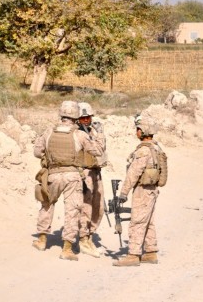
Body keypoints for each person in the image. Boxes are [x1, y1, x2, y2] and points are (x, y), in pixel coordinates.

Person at [32, 101, 104, 261]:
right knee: (72, 211)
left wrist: (51, 156)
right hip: (73, 176)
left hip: (53, 174)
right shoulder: (79, 134)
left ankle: (42, 240)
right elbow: (98, 151)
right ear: (76, 116)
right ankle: (67, 249)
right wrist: (99, 135)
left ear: (61, 114)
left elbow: (37, 152)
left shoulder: (49, 132)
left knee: (47, 204)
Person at [113, 116, 168, 267]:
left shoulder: (144, 151)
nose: (136, 132)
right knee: (149, 221)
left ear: (142, 131)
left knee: (137, 221)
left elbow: (133, 173)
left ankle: (133, 254)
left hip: (142, 191)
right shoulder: (156, 148)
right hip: (152, 190)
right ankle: (150, 252)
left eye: (138, 129)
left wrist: (123, 193)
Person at [77, 102, 107, 258]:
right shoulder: (77, 134)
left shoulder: (91, 132)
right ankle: (83, 239)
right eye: (83, 118)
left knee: (99, 207)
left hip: (96, 172)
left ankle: (90, 236)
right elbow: (97, 149)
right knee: (86, 208)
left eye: (88, 117)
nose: (86, 120)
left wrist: (99, 133)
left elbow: (102, 151)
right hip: (84, 173)